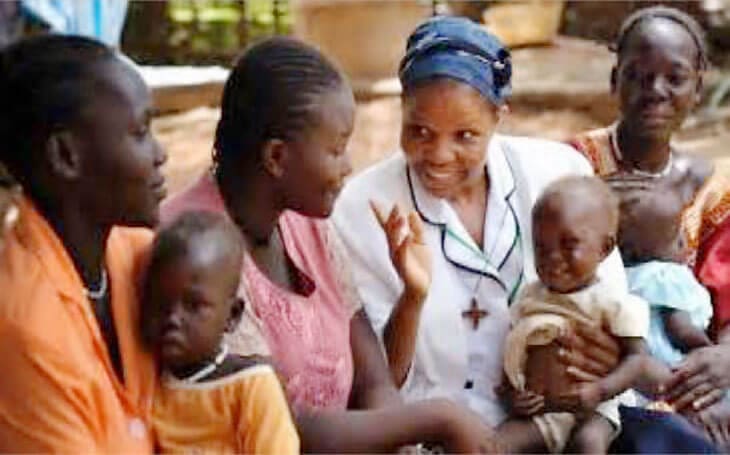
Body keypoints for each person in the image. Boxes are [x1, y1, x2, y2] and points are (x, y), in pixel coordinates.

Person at [162, 36, 501, 453]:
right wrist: (438, 418)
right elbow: (278, 425)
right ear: (277, 157)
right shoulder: (196, 249)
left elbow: (374, 380)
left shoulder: (307, 223)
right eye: (337, 149)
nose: (349, 166)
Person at [331, 15, 634, 452]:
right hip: (440, 441)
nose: (438, 155)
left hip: (563, 418)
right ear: (400, 108)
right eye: (419, 131)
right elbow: (379, 386)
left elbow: (609, 315)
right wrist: (412, 298)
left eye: (466, 136)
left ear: (499, 117)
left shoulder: (558, 174)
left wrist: (604, 353)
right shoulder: (362, 208)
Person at [569, 5, 730, 439]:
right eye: (638, 75)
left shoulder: (716, 188)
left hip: (691, 366)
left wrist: (724, 358)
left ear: (698, 88)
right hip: (599, 364)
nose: (655, 90)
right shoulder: (572, 166)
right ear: (613, 80)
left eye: (675, 77)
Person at [0, 35, 166, 451]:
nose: (161, 153)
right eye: (141, 131)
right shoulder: (25, 326)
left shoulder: (137, 253)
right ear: (65, 156)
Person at [503, 176, 669, 453]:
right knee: (497, 442)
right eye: (542, 248)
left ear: (604, 248)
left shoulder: (613, 302)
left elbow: (637, 359)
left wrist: (601, 391)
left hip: (596, 410)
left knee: (588, 444)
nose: (553, 257)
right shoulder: (530, 296)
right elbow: (514, 348)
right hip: (543, 412)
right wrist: (513, 394)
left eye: (569, 245)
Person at [143, 211, 299, 454]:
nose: (173, 318)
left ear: (232, 316)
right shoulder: (146, 382)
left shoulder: (250, 387)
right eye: (160, 303)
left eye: (194, 305)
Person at [618, 173, 713, 367]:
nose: (683, 240)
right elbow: (681, 330)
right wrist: (710, 349)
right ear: (636, 252)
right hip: (673, 361)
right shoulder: (666, 277)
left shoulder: (623, 277)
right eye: (673, 239)